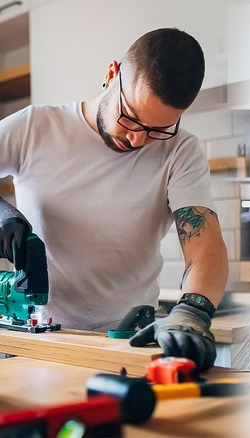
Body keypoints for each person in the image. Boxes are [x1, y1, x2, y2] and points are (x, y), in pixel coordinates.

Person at [0, 28, 228, 371]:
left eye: (157, 130)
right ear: (111, 75)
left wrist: (193, 311)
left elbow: (205, 248)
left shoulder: (180, 150)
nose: (137, 139)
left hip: (127, 343)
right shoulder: (35, 127)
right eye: (130, 117)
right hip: (36, 341)